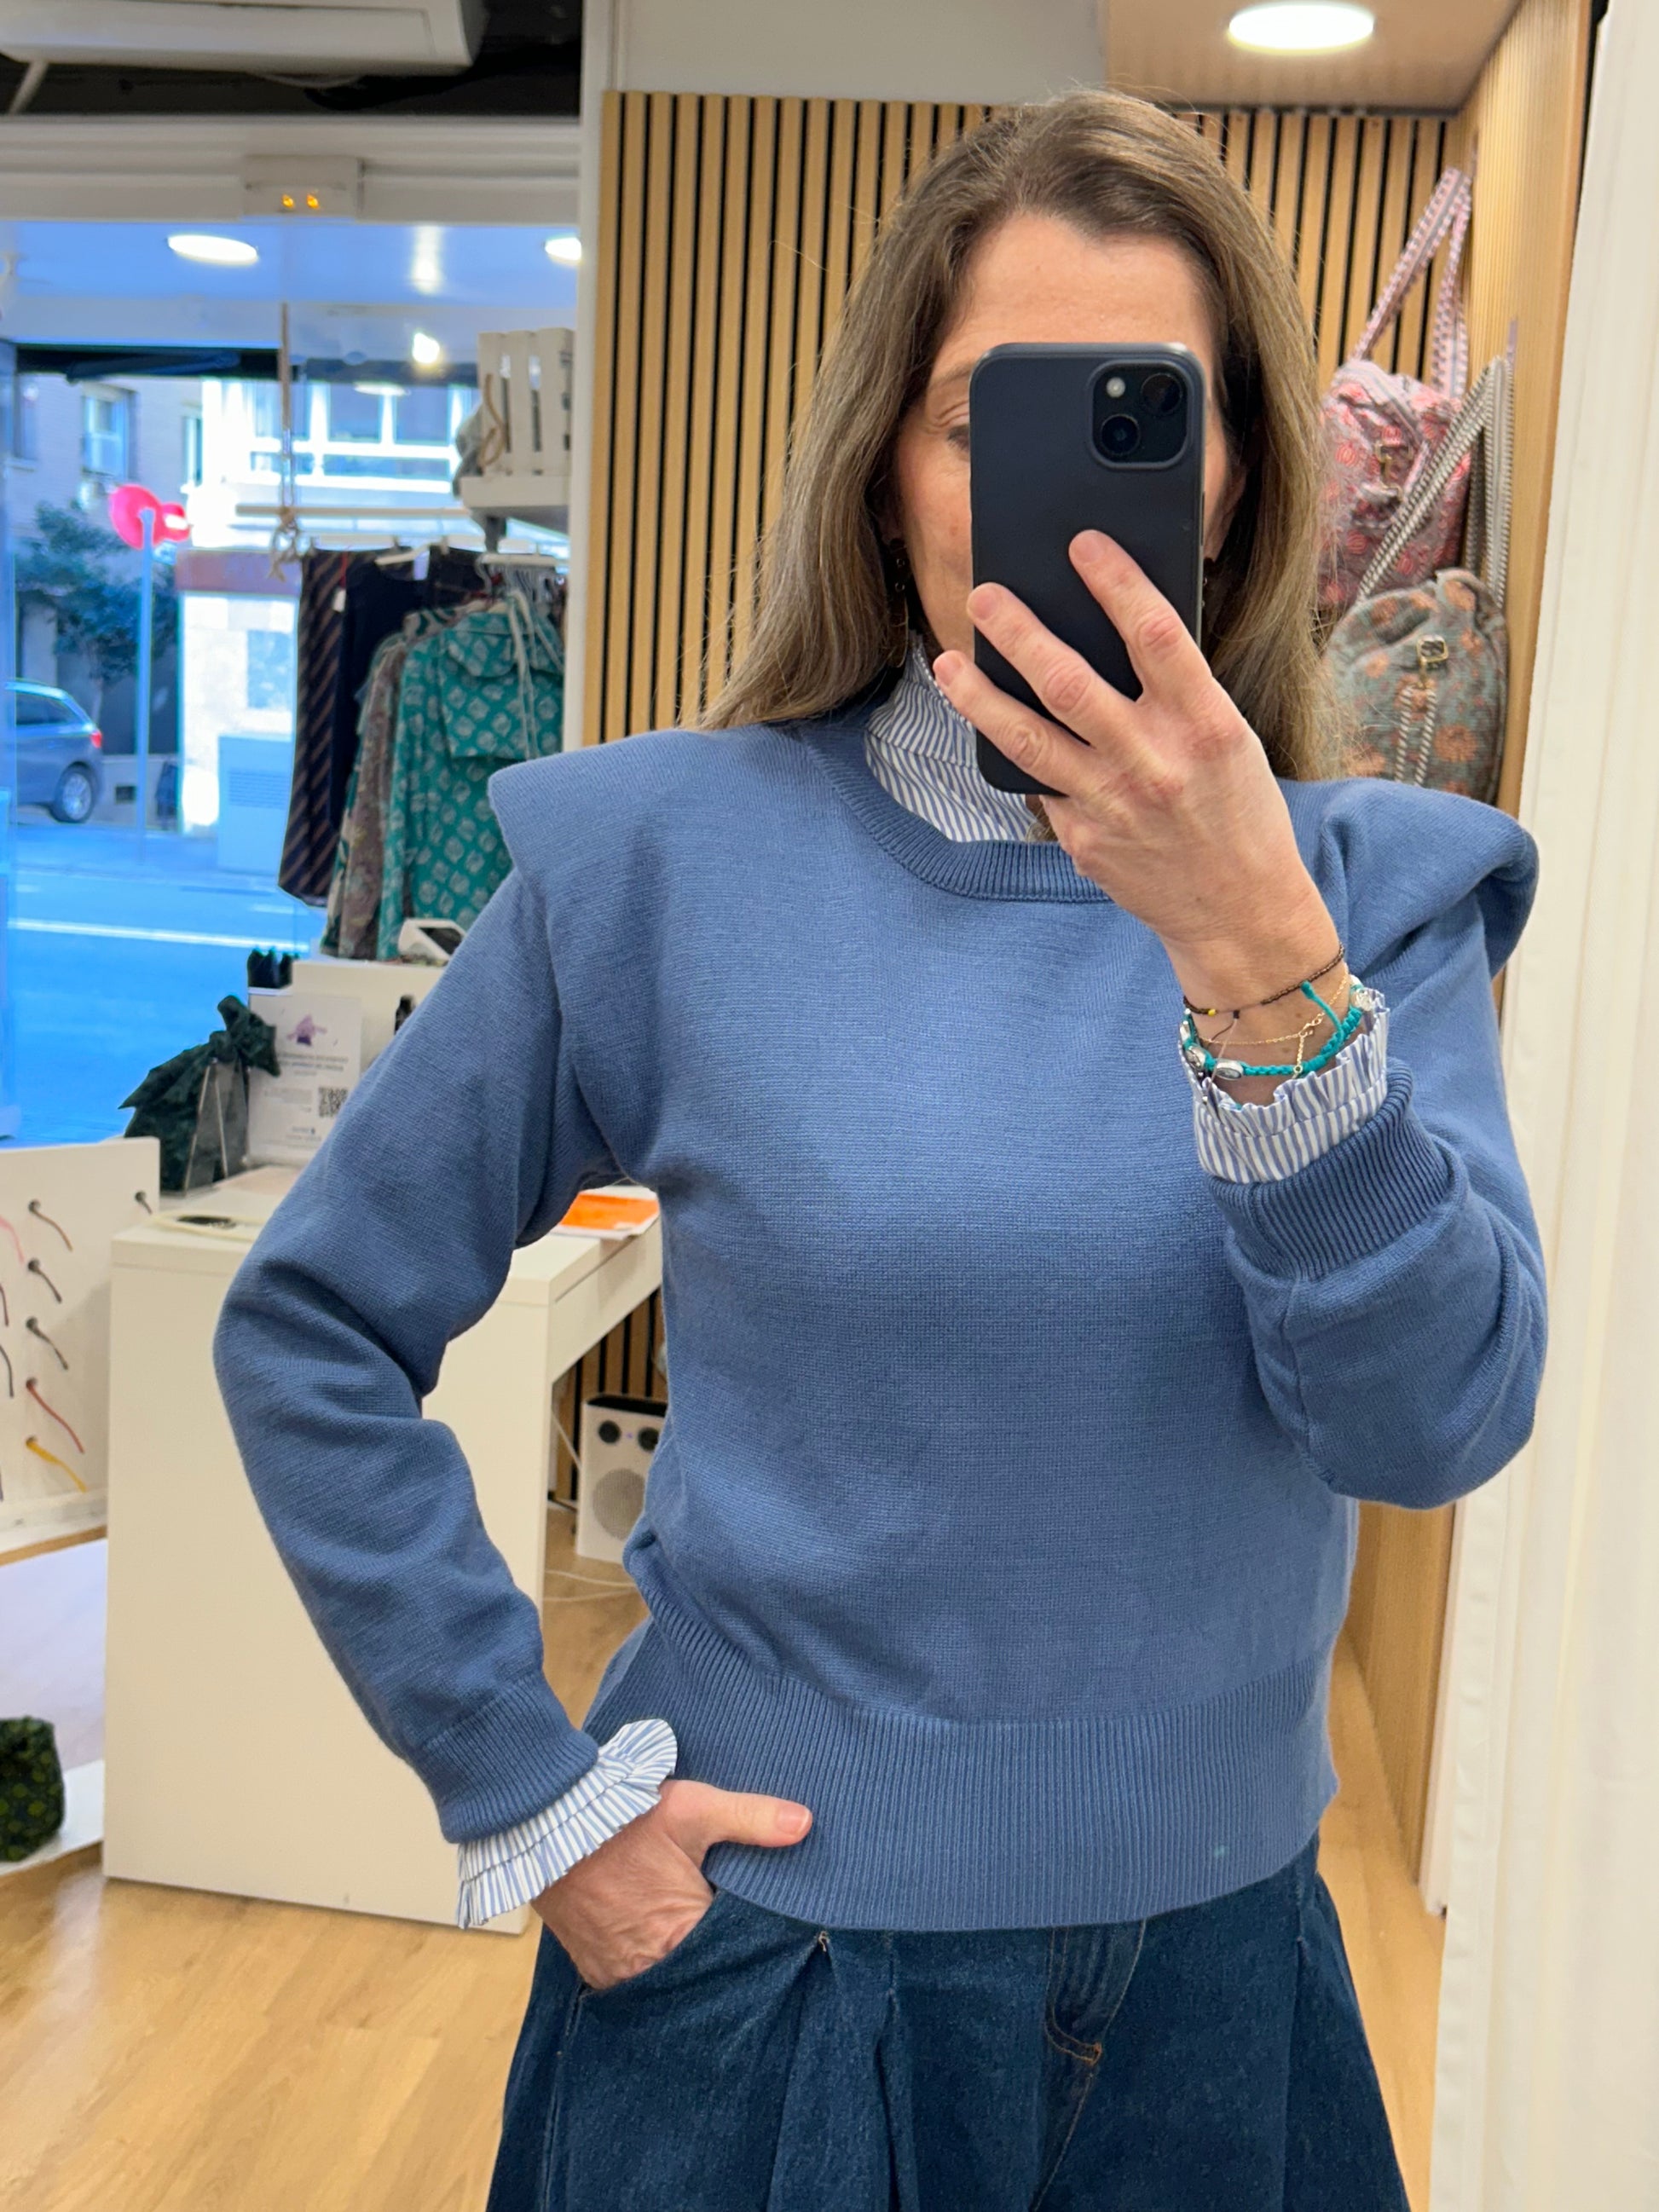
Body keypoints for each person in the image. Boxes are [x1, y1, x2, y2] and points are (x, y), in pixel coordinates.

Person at [214, 90, 1546, 2211]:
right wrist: (532, 1794)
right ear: (886, 470)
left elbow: (1431, 1425)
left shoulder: (1371, 896)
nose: (1062, 480)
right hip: (763, 1976)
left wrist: (1253, 953)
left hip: (1223, 2004)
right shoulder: (655, 860)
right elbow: (310, 1327)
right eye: (984, 414)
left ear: (1232, 480)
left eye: (1143, 410)